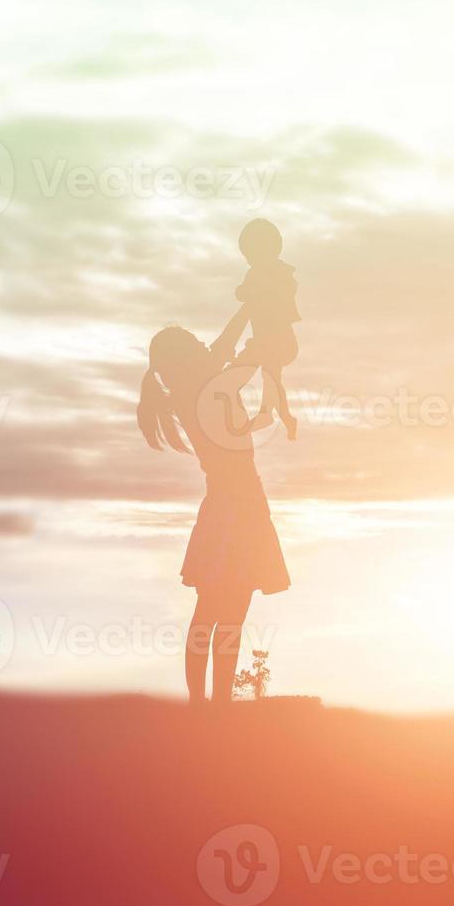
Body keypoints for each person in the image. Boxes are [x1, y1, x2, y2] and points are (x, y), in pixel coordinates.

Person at [136, 303, 290, 703]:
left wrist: (250, 310)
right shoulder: (203, 392)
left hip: (239, 506)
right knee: (220, 611)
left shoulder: (204, 388)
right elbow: (227, 353)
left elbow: (225, 352)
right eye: (195, 345)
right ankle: (205, 704)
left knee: (227, 609)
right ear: (185, 361)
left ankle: (213, 703)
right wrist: (255, 317)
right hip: (233, 510)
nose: (205, 345)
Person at [234, 218, 301, 440]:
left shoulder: (280, 272)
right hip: (262, 341)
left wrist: (260, 289)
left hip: (280, 339)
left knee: (271, 374)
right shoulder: (254, 274)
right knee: (271, 377)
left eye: (254, 252)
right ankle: (286, 418)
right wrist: (246, 290)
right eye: (248, 255)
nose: (251, 259)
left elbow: (287, 288)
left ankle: (266, 413)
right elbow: (243, 294)